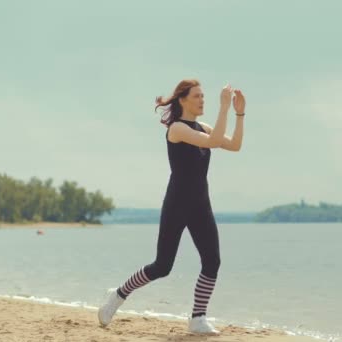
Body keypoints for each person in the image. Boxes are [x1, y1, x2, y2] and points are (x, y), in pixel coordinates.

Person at [98, 79, 246, 334]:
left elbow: (234, 145)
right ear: (182, 100)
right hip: (177, 203)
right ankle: (118, 294)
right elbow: (211, 143)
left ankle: (197, 318)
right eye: (197, 96)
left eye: (204, 96)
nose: (202, 100)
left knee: (212, 261)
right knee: (162, 266)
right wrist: (223, 108)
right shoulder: (176, 129)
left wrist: (239, 113)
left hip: (201, 204)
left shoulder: (204, 127)